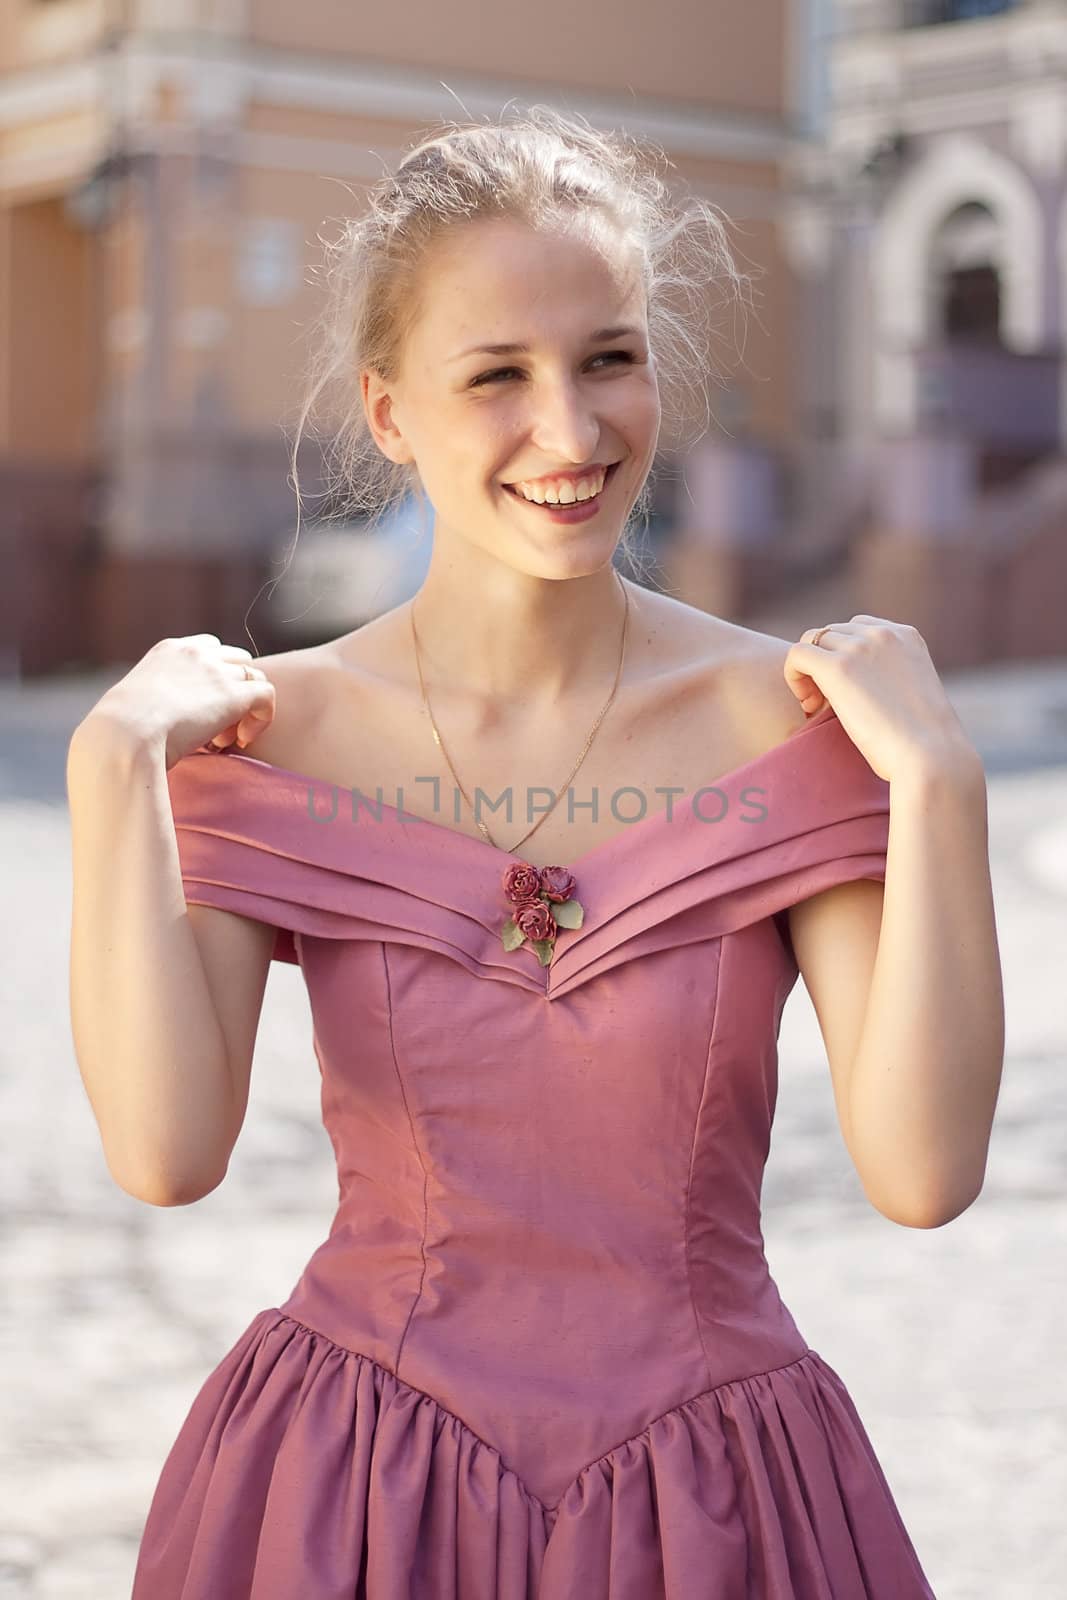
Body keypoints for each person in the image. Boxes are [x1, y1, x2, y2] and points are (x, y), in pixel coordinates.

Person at [67, 105, 1003, 1598]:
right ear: (388, 412)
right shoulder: (271, 735)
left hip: (717, 1507)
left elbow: (924, 1172)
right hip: (354, 1500)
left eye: (609, 358)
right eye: (495, 375)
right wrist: (111, 769)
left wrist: (939, 782)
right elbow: (168, 1154)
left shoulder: (800, 721)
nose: (570, 434)